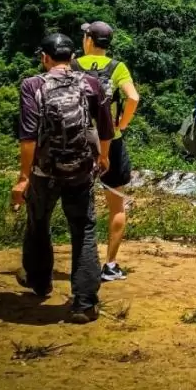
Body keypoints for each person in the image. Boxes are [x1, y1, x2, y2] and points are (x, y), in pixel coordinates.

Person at [11, 33, 114, 323]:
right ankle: (83, 303)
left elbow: (28, 135)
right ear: (71, 58)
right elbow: (105, 127)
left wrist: (23, 177)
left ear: (44, 57)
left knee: (38, 223)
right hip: (81, 171)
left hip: (44, 171)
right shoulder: (90, 83)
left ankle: (40, 282)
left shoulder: (33, 85)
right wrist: (103, 157)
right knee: (84, 231)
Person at [72, 20, 140, 282]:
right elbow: (133, 98)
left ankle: (81, 261)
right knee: (116, 204)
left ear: (88, 40)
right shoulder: (117, 67)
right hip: (112, 141)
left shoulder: (74, 65)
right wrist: (120, 124)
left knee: (78, 202)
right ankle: (110, 265)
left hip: (78, 140)